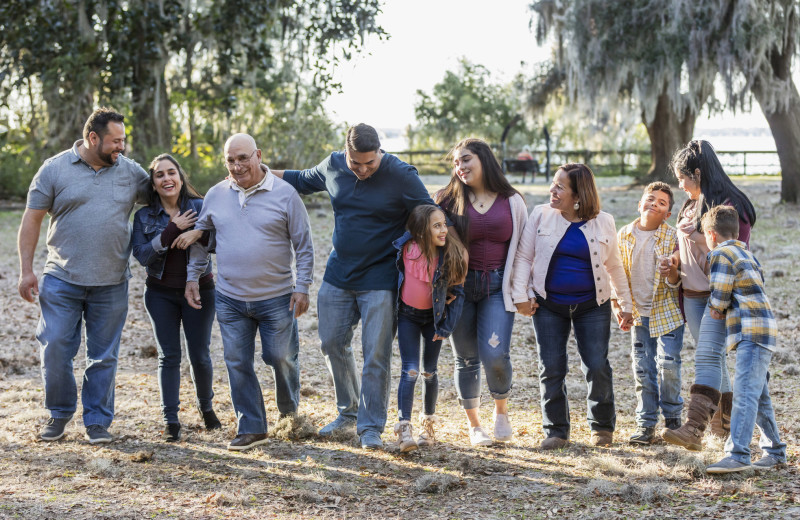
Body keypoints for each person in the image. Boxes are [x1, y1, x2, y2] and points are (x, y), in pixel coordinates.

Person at [271, 123, 439, 450]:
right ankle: (347, 413)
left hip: (381, 277)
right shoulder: (334, 164)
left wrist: (405, 243)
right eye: (355, 163)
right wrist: (258, 171)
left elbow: (430, 214)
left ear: (380, 153)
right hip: (339, 274)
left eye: (369, 163)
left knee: (375, 353)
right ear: (345, 153)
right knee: (331, 342)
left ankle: (370, 427)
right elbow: (302, 179)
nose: (362, 170)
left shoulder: (400, 173)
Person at [17, 108, 150, 444]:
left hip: (112, 282)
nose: (122, 146)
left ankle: (97, 422)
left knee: (104, 356)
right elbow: (31, 220)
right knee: (57, 347)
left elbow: (168, 192)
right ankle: (59, 414)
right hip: (62, 278)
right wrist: (26, 270)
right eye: (115, 141)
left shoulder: (130, 172)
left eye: (124, 139)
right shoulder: (54, 169)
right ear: (93, 138)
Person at [185, 133, 314, 452]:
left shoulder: (285, 194)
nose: (237, 165)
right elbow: (203, 240)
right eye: (230, 159)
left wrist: (302, 287)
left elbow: (304, 246)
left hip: (277, 297)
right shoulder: (215, 195)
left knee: (280, 357)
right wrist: (192, 277)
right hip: (230, 299)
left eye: (243, 158)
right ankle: (252, 426)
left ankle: (289, 416)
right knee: (236, 361)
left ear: (258, 155)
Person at [511, 163, 633, 449]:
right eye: (553, 184)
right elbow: (524, 258)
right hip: (548, 304)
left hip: (593, 305)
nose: (552, 190)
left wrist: (624, 303)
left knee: (596, 365)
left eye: (559, 187)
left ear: (578, 195)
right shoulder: (540, 215)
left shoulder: (604, 221)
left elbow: (614, 265)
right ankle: (556, 430)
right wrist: (521, 295)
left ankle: (601, 427)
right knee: (551, 367)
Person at [661, 139, 757, 450]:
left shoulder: (730, 206)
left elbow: (733, 252)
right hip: (691, 294)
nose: (679, 184)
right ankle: (721, 428)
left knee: (709, 358)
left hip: (718, 296)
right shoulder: (690, 205)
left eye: (682, 177)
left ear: (698, 173)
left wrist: (700, 238)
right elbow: (682, 248)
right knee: (713, 359)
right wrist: (673, 262)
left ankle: (700, 429)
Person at [435, 137, 528, 446]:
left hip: (497, 287)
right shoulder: (446, 201)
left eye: (466, 160)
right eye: (456, 162)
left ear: (483, 160)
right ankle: (475, 425)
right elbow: (433, 244)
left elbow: (525, 250)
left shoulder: (511, 200)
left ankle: (501, 412)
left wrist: (524, 290)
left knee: (495, 354)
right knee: (466, 358)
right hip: (459, 289)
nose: (460, 167)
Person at [131, 154, 221, 442]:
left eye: (172, 173)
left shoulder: (200, 206)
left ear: (181, 179)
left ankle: (206, 408)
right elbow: (143, 255)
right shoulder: (144, 216)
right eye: (160, 175)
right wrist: (172, 229)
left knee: (200, 355)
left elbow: (218, 242)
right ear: (153, 184)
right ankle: (170, 419)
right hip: (160, 294)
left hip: (200, 291)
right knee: (169, 356)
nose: (167, 178)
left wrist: (197, 234)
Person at [698, 206, 785, 473]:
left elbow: (721, 295)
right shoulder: (747, 254)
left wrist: (714, 308)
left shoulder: (720, 254)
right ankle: (775, 451)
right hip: (763, 329)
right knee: (758, 395)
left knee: (745, 394)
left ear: (711, 234)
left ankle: (738, 454)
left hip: (749, 331)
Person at [612, 182, 685, 445]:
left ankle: (674, 420)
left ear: (667, 214)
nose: (654, 203)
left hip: (667, 313)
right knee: (643, 369)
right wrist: (619, 306)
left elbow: (678, 277)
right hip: (639, 315)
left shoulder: (672, 236)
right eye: (650, 198)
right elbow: (616, 274)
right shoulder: (624, 234)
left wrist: (672, 270)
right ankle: (646, 424)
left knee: (669, 366)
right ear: (639, 203)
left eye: (662, 202)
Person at [392, 205, 467, 452]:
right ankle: (404, 429)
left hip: (434, 319)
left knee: (429, 372)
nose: (444, 230)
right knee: (410, 371)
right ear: (421, 231)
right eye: (437, 225)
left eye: (444, 224)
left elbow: (458, 295)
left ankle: (428, 425)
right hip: (407, 317)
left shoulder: (450, 255)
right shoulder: (404, 248)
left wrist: (446, 327)